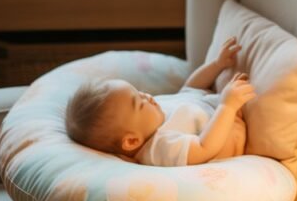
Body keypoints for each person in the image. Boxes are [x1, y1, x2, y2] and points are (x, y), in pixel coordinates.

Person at [65, 38, 255, 166]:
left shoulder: (154, 112)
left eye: (138, 92)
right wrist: (227, 106)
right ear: (132, 140)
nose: (146, 96)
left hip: (230, 100)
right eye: (139, 103)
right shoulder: (159, 148)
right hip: (239, 125)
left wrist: (217, 65)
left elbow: (189, 89)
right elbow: (205, 148)